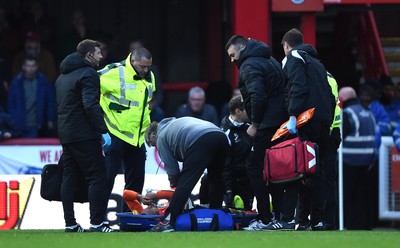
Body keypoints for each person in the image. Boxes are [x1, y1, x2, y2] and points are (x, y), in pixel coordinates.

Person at [225, 35, 288, 230]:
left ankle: (265, 218)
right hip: (281, 121)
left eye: (233, 55)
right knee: (275, 170)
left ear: (242, 48)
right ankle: (279, 216)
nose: (232, 60)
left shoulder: (249, 66)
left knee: (254, 168)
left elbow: (257, 95)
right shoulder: (270, 59)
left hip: (266, 123)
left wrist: (254, 123)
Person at [279, 28, 335, 231]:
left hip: (305, 119)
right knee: (315, 171)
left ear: (286, 45)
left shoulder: (293, 57)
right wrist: (327, 120)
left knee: (302, 170)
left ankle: (301, 220)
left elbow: (297, 86)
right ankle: (315, 220)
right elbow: (330, 94)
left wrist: (293, 115)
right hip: (323, 120)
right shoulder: (318, 64)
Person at [55, 39, 114, 232]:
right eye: (98, 53)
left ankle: (70, 224)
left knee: (69, 178)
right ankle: (97, 223)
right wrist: (103, 131)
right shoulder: (89, 73)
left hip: (66, 134)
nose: (101, 56)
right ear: (89, 55)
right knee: (97, 176)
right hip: (84, 134)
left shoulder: (62, 77)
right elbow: (90, 105)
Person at [145, 117, 230, 232]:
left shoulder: (161, 137)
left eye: (152, 144)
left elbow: (173, 170)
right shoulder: (174, 124)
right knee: (215, 179)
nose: (156, 148)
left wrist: (175, 188)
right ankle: (216, 216)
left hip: (201, 139)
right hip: (221, 136)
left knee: (185, 183)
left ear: (153, 136)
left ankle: (167, 221)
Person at [99, 47, 156, 212]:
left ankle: (130, 221)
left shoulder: (150, 76)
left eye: (148, 67)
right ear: (132, 61)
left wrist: (147, 131)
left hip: (137, 138)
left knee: (136, 183)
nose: (146, 70)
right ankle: (98, 221)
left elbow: (145, 106)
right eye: (142, 66)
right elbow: (88, 88)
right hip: (115, 134)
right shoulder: (112, 72)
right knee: (106, 180)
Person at [296, 72, 342, 230]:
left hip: (322, 132)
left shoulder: (311, 77)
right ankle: (322, 220)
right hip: (329, 131)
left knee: (311, 176)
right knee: (323, 178)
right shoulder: (327, 77)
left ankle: (312, 220)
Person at [339, 86, 378, 230]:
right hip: (367, 161)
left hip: (350, 161)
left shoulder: (347, 113)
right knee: (363, 197)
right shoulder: (368, 113)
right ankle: (364, 225)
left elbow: (340, 136)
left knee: (347, 196)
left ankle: (347, 224)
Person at [7, 56, 56, 138]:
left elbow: (50, 102)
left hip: (36, 124)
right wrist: (13, 120)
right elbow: (10, 103)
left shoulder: (43, 81)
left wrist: (50, 119)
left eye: (33, 66)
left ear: (37, 67)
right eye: (28, 66)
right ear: (23, 67)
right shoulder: (16, 82)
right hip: (19, 124)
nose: (31, 68)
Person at [221, 95, 254, 210]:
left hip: (248, 181)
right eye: (248, 109)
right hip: (233, 183)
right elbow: (225, 165)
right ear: (238, 111)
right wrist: (228, 189)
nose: (251, 112)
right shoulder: (225, 133)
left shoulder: (251, 128)